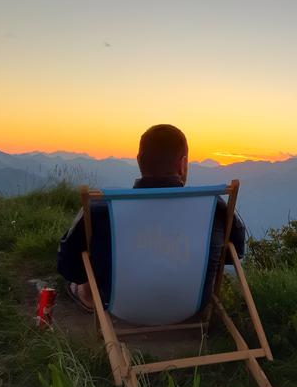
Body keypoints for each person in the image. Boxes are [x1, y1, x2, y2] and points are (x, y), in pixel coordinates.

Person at [57, 124, 246, 311]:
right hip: (191, 306)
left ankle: (89, 297)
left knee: (83, 281)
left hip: (121, 307)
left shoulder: (101, 208)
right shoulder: (215, 208)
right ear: (182, 163)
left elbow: (68, 266)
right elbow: (233, 254)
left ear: (139, 161)